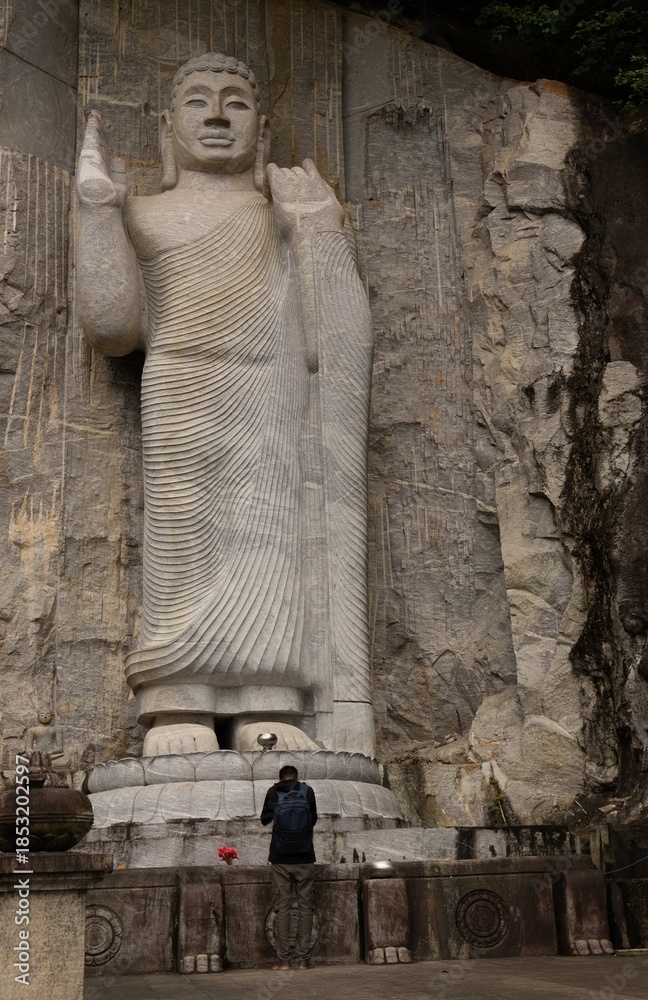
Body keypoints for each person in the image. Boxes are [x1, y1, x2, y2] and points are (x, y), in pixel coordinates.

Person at [75, 52, 375, 758]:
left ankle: (268, 702)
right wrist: (97, 211)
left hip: (273, 395)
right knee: (184, 541)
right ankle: (175, 700)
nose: (216, 115)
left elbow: (339, 333)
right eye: (198, 102)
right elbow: (113, 327)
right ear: (166, 129)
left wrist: (319, 229)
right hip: (182, 390)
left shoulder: (283, 214)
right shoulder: (143, 213)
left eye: (235, 101)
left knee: (270, 543)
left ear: (261, 132)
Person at [261, 764, 318, 970]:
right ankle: (303, 961)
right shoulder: (307, 791)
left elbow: (264, 820)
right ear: (297, 777)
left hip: (280, 858)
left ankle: (283, 961)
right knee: (305, 908)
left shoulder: (273, 791)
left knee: (282, 908)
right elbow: (313, 819)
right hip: (305, 857)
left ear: (280, 779)